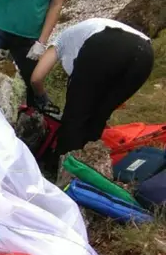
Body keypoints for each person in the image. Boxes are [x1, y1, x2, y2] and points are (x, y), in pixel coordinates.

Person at [31, 18, 153, 174]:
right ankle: (86, 174)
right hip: (146, 55)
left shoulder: (61, 40)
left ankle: (60, 171)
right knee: (98, 117)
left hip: (106, 43)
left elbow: (36, 77)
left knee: (75, 117)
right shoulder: (93, 28)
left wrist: (41, 98)